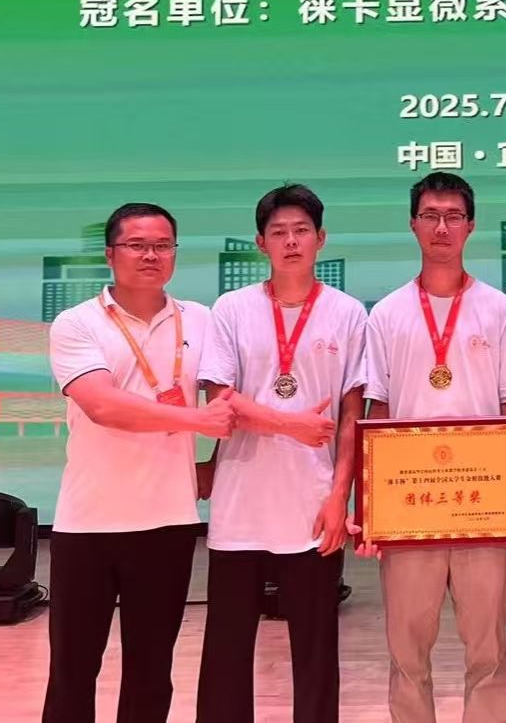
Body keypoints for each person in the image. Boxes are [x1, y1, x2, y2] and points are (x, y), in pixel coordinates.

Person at [43, 202, 234, 723]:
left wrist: (214, 460)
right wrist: (196, 421)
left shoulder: (201, 319)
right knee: (73, 671)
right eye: (137, 245)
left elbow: (228, 400)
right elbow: (103, 406)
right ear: (110, 254)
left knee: (152, 672)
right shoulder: (77, 323)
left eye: (163, 245)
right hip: (88, 524)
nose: (151, 255)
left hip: (168, 522)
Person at [357, 171, 506, 723]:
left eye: (453, 216)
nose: (442, 227)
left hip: (484, 508)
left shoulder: (498, 309)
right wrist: (371, 509)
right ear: (413, 225)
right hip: (410, 508)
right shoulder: (387, 313)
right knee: (407, 653)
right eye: (431, 216)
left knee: (488, 651)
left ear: (471, 226)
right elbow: (378, 410)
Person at [194, 184, 365, 723]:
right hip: (240, 504)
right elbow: (220, 399)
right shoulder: (232, 309)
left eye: (301, 231)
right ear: (260, 243)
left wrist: (340, 498)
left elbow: (353, 415)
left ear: (321, 239)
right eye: (279, 232)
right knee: (226, 648)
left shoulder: (347, 313)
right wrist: (293, 424)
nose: (291, 241)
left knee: (316, 650)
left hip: (312, 505)